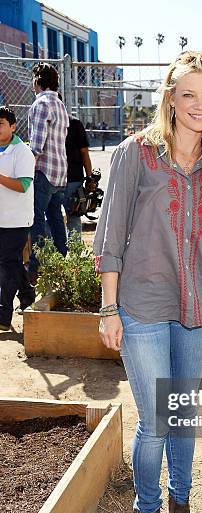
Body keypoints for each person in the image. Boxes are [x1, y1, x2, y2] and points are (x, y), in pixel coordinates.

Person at [94, 51, 202, 513]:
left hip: (196, 310)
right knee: (155, 421)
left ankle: (181, 506)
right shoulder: (135, 153)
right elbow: (109, 236)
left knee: (183, 414)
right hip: (142, 308)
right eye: (187, 93)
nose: (199, 104)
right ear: (170, 97)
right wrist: (108, 309)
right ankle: (148, 511)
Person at [28, 62, 69, 284]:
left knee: (35, 219)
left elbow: (37, 145)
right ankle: (62, 264)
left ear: (38, 80)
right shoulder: (60, 105)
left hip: (43, 171)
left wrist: (25, 169)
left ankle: (35, 268)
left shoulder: (41, 103)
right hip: (60, 171)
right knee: (55, 220)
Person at [0, 107, 35, 331]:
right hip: (1, 218)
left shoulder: (22, 152)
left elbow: (23, 186)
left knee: (6, 263)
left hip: (16, 220)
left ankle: (3, 315)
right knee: (10, 262)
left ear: (13, 127)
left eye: (0, 123)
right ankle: (28, 294)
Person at [63, 114, 94, 238]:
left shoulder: (74, 123)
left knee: (74, 216)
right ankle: (59, 250)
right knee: (54, 217)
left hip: (72, 179)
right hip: (52, 179)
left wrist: (90, 177)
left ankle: (74, 252)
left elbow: (84, 152)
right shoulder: (44, 122)